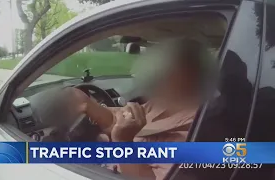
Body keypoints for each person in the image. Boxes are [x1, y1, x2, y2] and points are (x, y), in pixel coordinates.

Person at [67, 38, 215, 179]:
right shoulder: (161, 103)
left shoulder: (195, 131)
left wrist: (124, 142)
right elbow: (118, 121)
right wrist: (87, 104)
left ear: (191, 77)